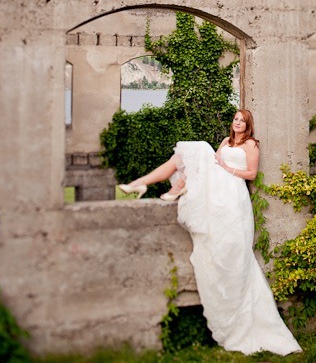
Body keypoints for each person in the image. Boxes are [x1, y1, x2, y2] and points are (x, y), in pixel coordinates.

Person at [119, 109, 302, 357]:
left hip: (233, 193)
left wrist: (228, 168)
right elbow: (207, 166)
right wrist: (219, 165)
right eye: (235, 119)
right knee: (192, 155)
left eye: (242, 120)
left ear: (248, 125)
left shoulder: (251, 145)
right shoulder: (226, 142)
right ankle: (144, 184)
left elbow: (251, 174)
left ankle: (166, 189)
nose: (237, 123)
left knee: (198, 149)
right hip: (219, 188)